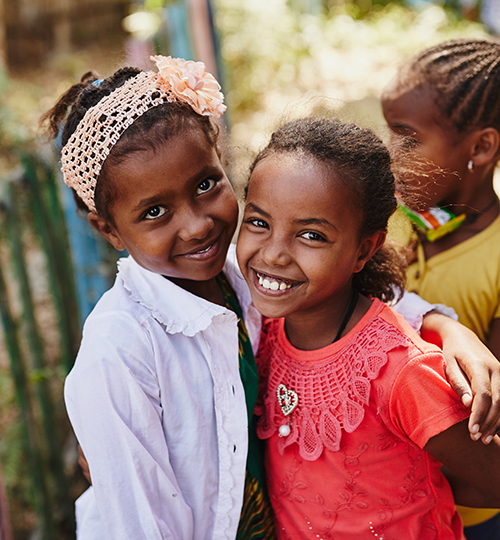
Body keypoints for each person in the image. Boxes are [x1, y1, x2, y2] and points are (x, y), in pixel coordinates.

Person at [43, 56, 500, 539]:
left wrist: (447, 329)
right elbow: (134, 523)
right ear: (108, 229)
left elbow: (352, 302)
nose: (198, 224)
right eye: (155, 211)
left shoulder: (243, 279)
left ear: (223, 163)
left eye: (205, 185)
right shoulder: (120, 351)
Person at [235, 117, 500, 539]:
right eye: (259, 222)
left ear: (364, 249)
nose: (274, 254)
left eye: (311, 236)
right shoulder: (259, 325)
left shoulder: (400, 370)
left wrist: (409, 497)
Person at [381, 38, 500, 539]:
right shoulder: (387, 221)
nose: (392, 154)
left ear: (481, 147)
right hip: (366, 497)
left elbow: (489, 425)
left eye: (408, 138)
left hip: (460, 514)